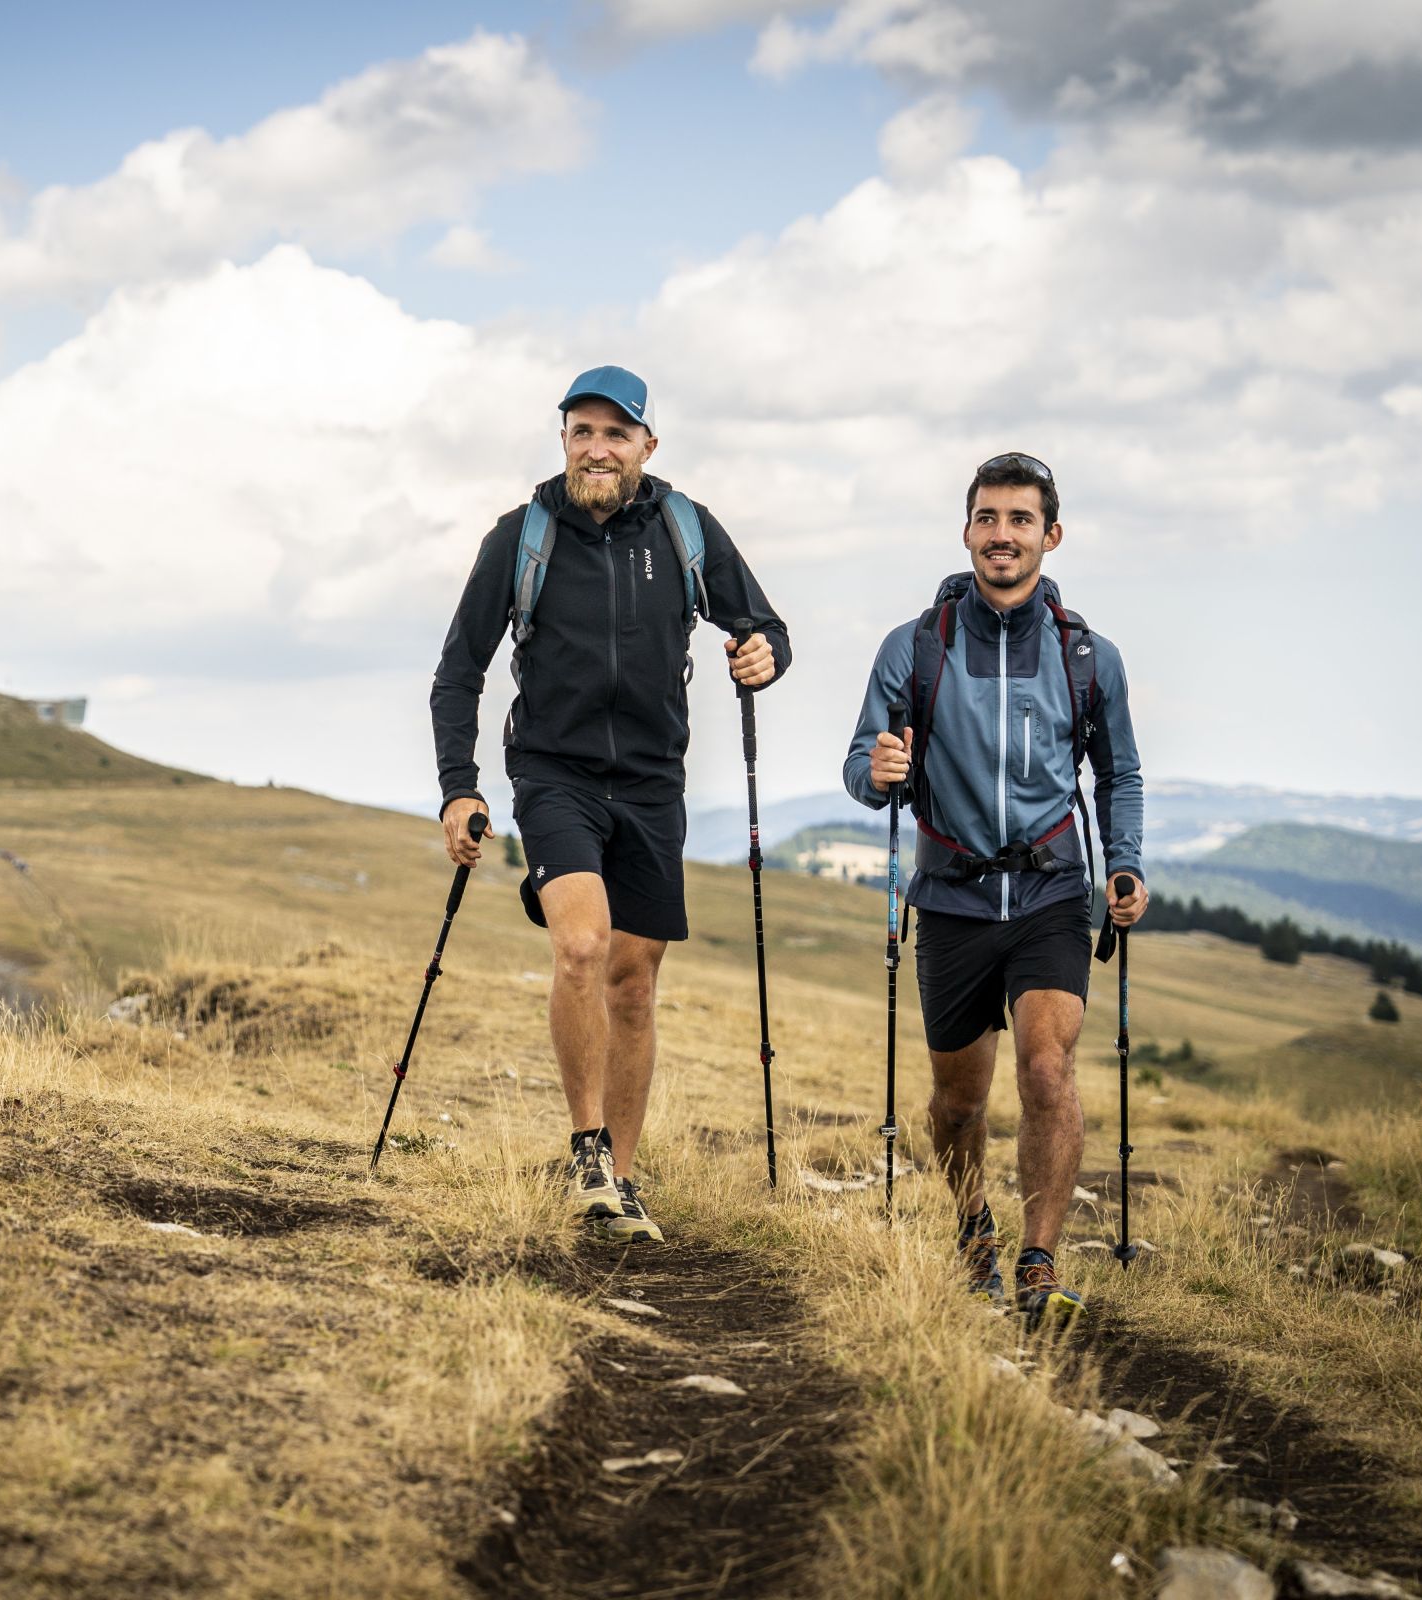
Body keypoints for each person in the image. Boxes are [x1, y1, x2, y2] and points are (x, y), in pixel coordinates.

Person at [431, 365, 792, 1243]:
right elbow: (458, 674)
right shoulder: (519, 539)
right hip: (553, 775)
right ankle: (586, 1147)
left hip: (654, 785)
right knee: (584, 947)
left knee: (634, 983)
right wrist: (461, 787)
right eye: (582, 431)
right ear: (562, 439)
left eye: (616, 433)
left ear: (647, 446)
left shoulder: (684, 530)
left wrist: (762, 656)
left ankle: (621, 1183)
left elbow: (765, 628)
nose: (598, 448)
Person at [842, 452, 1145, 1326]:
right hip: (950, 898)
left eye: (1020, 519)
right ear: (966, 530)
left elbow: (1119, 771)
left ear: (1051, 535)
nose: (1001, 535)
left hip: (1051, 892)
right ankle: (974, 1225)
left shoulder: (1089, 658)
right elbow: (862, 762)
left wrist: (1123, 861)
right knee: (958, 1101)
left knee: (1047, 1070)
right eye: (987, 518)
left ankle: (1039, 1260)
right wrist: (880, 767)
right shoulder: (916, 645)